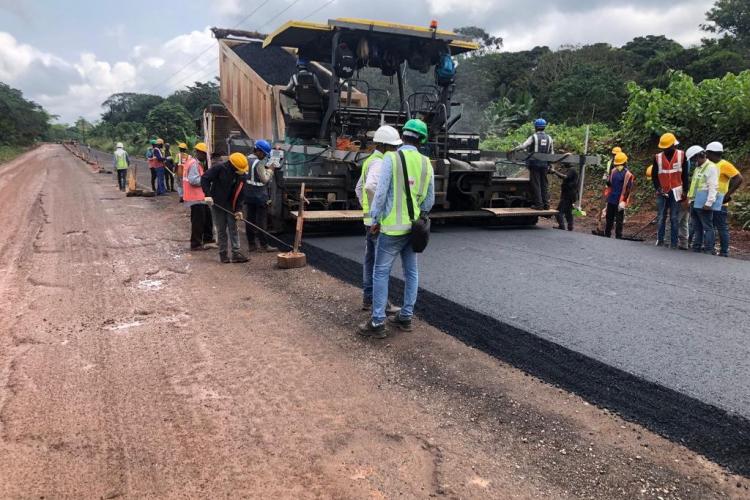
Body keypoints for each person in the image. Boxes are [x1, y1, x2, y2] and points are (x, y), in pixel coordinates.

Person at [358, 119, 435, 339]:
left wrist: (375, 220)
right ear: (422, 139)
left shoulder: (391, 158)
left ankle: (378, 322)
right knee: (412, 272)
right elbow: (428, 202)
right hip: (413, 229)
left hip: (391, 230)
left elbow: (380, 195)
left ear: (403, 136)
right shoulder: (426, 163)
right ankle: (406, 317)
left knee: (380, 272)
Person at [355, 125, 403, 313]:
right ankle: (381, 304)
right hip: (376, 224)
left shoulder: (370, 160)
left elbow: (359, 188)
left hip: (369, 222)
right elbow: (370, 187)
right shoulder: (381, 162)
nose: (395, 150)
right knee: (380, 266)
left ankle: (368, 299)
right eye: (393, 146)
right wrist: (377, 215)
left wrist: (366, 209)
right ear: (383, 145)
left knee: (370, 261)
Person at [201, 152, 249, 264]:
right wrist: (207, 194)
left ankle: (236, 253)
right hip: (217, 203)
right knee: (221, 229)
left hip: (232, 205)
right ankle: (223, 254)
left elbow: (241, 194)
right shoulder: (219, 168)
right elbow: (205, 179)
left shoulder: (242, 175)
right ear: (232, 165)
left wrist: (239, 209)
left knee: (233, 228)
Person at [705, 142, 744, 257]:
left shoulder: (724, 164)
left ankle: (724, 251)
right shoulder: (709, 164)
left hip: (720, 202)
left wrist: (727, 195)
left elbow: (739, 178)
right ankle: (710, 248)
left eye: (707, 153)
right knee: (710, 225)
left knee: (721, 226)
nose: (706, 155)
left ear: (712, 153)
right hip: (710, 200)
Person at [652, 132, 688, 249]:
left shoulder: (682, 155)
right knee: (661, 216)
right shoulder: (657, 158)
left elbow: (685, 175)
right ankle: (660, 240)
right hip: (663, 191)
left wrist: (685, 191)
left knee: (674, 217)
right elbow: (654, 175)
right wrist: (658, 188)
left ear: (673, 145)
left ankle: (674, 243)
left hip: (676, 190)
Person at [243, 139, 279, 253]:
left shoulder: (246, 159)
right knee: (261, 222)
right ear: (258, 151)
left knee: (250, 220)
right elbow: (265, 179)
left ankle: (252, 245)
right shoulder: (258, 163)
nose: (264, 156)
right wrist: (271, 170)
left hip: (248, 195)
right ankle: (264, 245)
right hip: (259, 196)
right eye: (263, 153)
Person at [511, 118, 553, 210]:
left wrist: (514, 149)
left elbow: (524, 146)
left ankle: (539, 205)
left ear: (535, 127)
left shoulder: (533, 137)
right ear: (544, 127)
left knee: (536, 184)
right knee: (544, 184)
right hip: (545, 165)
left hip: (535, 164)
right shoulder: (549, 138)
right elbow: (551, 153)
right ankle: (546, 205)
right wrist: (550, 165)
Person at [182, 142, 216, 250]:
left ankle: (208, 239)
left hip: (200, 197)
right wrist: (206, 180)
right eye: (205, 154)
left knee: (207, 218)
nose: (207, 157)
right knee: (198, 221)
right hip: (195, 198)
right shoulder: (194, 164)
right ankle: (196, 243)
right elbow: (193, 180)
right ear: (200, 153)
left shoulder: (195, 162)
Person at [686, 146, 720, 254]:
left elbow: (713, 186)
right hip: (694, 202)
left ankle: (709, 249)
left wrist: (709, 202)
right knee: (697, 227)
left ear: (700, 155)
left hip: (703, 203)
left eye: (695, 159)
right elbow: (694, 185)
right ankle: (696, 247)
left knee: (708, 227)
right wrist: (689, 199)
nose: (694, 162)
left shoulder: (711, 167)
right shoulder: (698, 168)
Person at [604, 152, 635, 239]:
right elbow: (610, 184)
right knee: (609, 217)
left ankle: (618, 235)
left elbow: (628, 189)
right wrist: (607, 181)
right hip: (611, 198)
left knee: (619, 219)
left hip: (620, 200)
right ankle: (607, 234)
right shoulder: (613, 171)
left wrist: (624, 202)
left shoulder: (628, 174)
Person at [551, 164, 578, 231]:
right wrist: (556, 172)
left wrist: (555, 172)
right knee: (568, 211)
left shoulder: (572, 170)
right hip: (570, 194)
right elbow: (563, 177)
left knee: (558, 211)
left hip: (568, 194)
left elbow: (565, 177)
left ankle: (562, 225)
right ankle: (570, 226)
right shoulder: (571, 170)